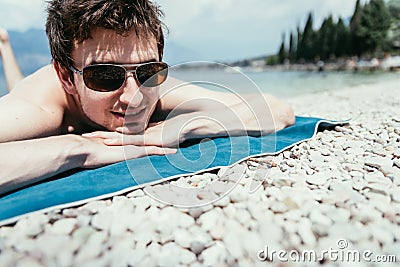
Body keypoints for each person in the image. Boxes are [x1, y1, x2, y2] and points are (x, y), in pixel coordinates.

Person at [0, 0, 295, 195]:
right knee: (18, 86)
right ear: (66, 77)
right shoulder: (39, 109)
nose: (133, 98)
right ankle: (5, 46)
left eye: (149, 71)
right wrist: (76, 148)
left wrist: (180, 127)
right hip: (36, 96)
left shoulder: (151, 88)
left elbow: (276, 109)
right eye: (105, 76)